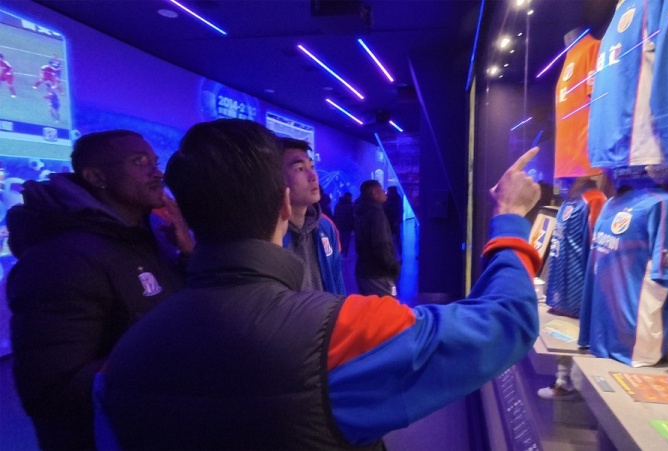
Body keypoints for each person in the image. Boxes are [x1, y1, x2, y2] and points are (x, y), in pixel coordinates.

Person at [94, 119, 542, 449]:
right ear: (283, 204)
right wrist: (509, 217)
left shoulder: (125, 356)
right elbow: (505, 322)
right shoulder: (344, 333)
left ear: (184, 214)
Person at [6, 130, 193, 450]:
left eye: (155, 162)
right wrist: (171, 354)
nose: (157, 173)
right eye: (140, 162)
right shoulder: (60, 259)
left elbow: (176, 312)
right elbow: (53, 391)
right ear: (96, 177)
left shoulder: (146, 239)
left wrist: (188, 253)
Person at [279, 137, 345, 295]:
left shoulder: (325, 227)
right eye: (300, 169)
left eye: (312, 166)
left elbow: (338, 286)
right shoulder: (269, 234)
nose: (313, 176)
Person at [354, 180, 400, 296]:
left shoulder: (361, 210)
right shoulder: (376, 213)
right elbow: (381, 245)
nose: (385, 193)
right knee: (387, 305)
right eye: (382, 190)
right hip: (378, 274)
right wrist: (393, 266)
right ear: (375, 193)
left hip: (364, 270)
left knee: (370, 306)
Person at [383, 186, 403, 256]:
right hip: (393, 221)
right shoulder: (397, 198)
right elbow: (399, 211)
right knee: (397, 238)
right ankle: (398, 253)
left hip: (389, 221)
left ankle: (391, 253)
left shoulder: (388, 199)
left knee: (390, 238)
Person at [333, 192, 355, 257]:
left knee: (341, 239)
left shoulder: (337, 205)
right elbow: (351, 218)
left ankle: (340, 253)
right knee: (346, 240)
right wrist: (353, 226)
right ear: (350, 197)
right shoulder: (350, 206)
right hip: (347, 226)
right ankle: (344, 254)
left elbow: (335, 215)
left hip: (339, 225)